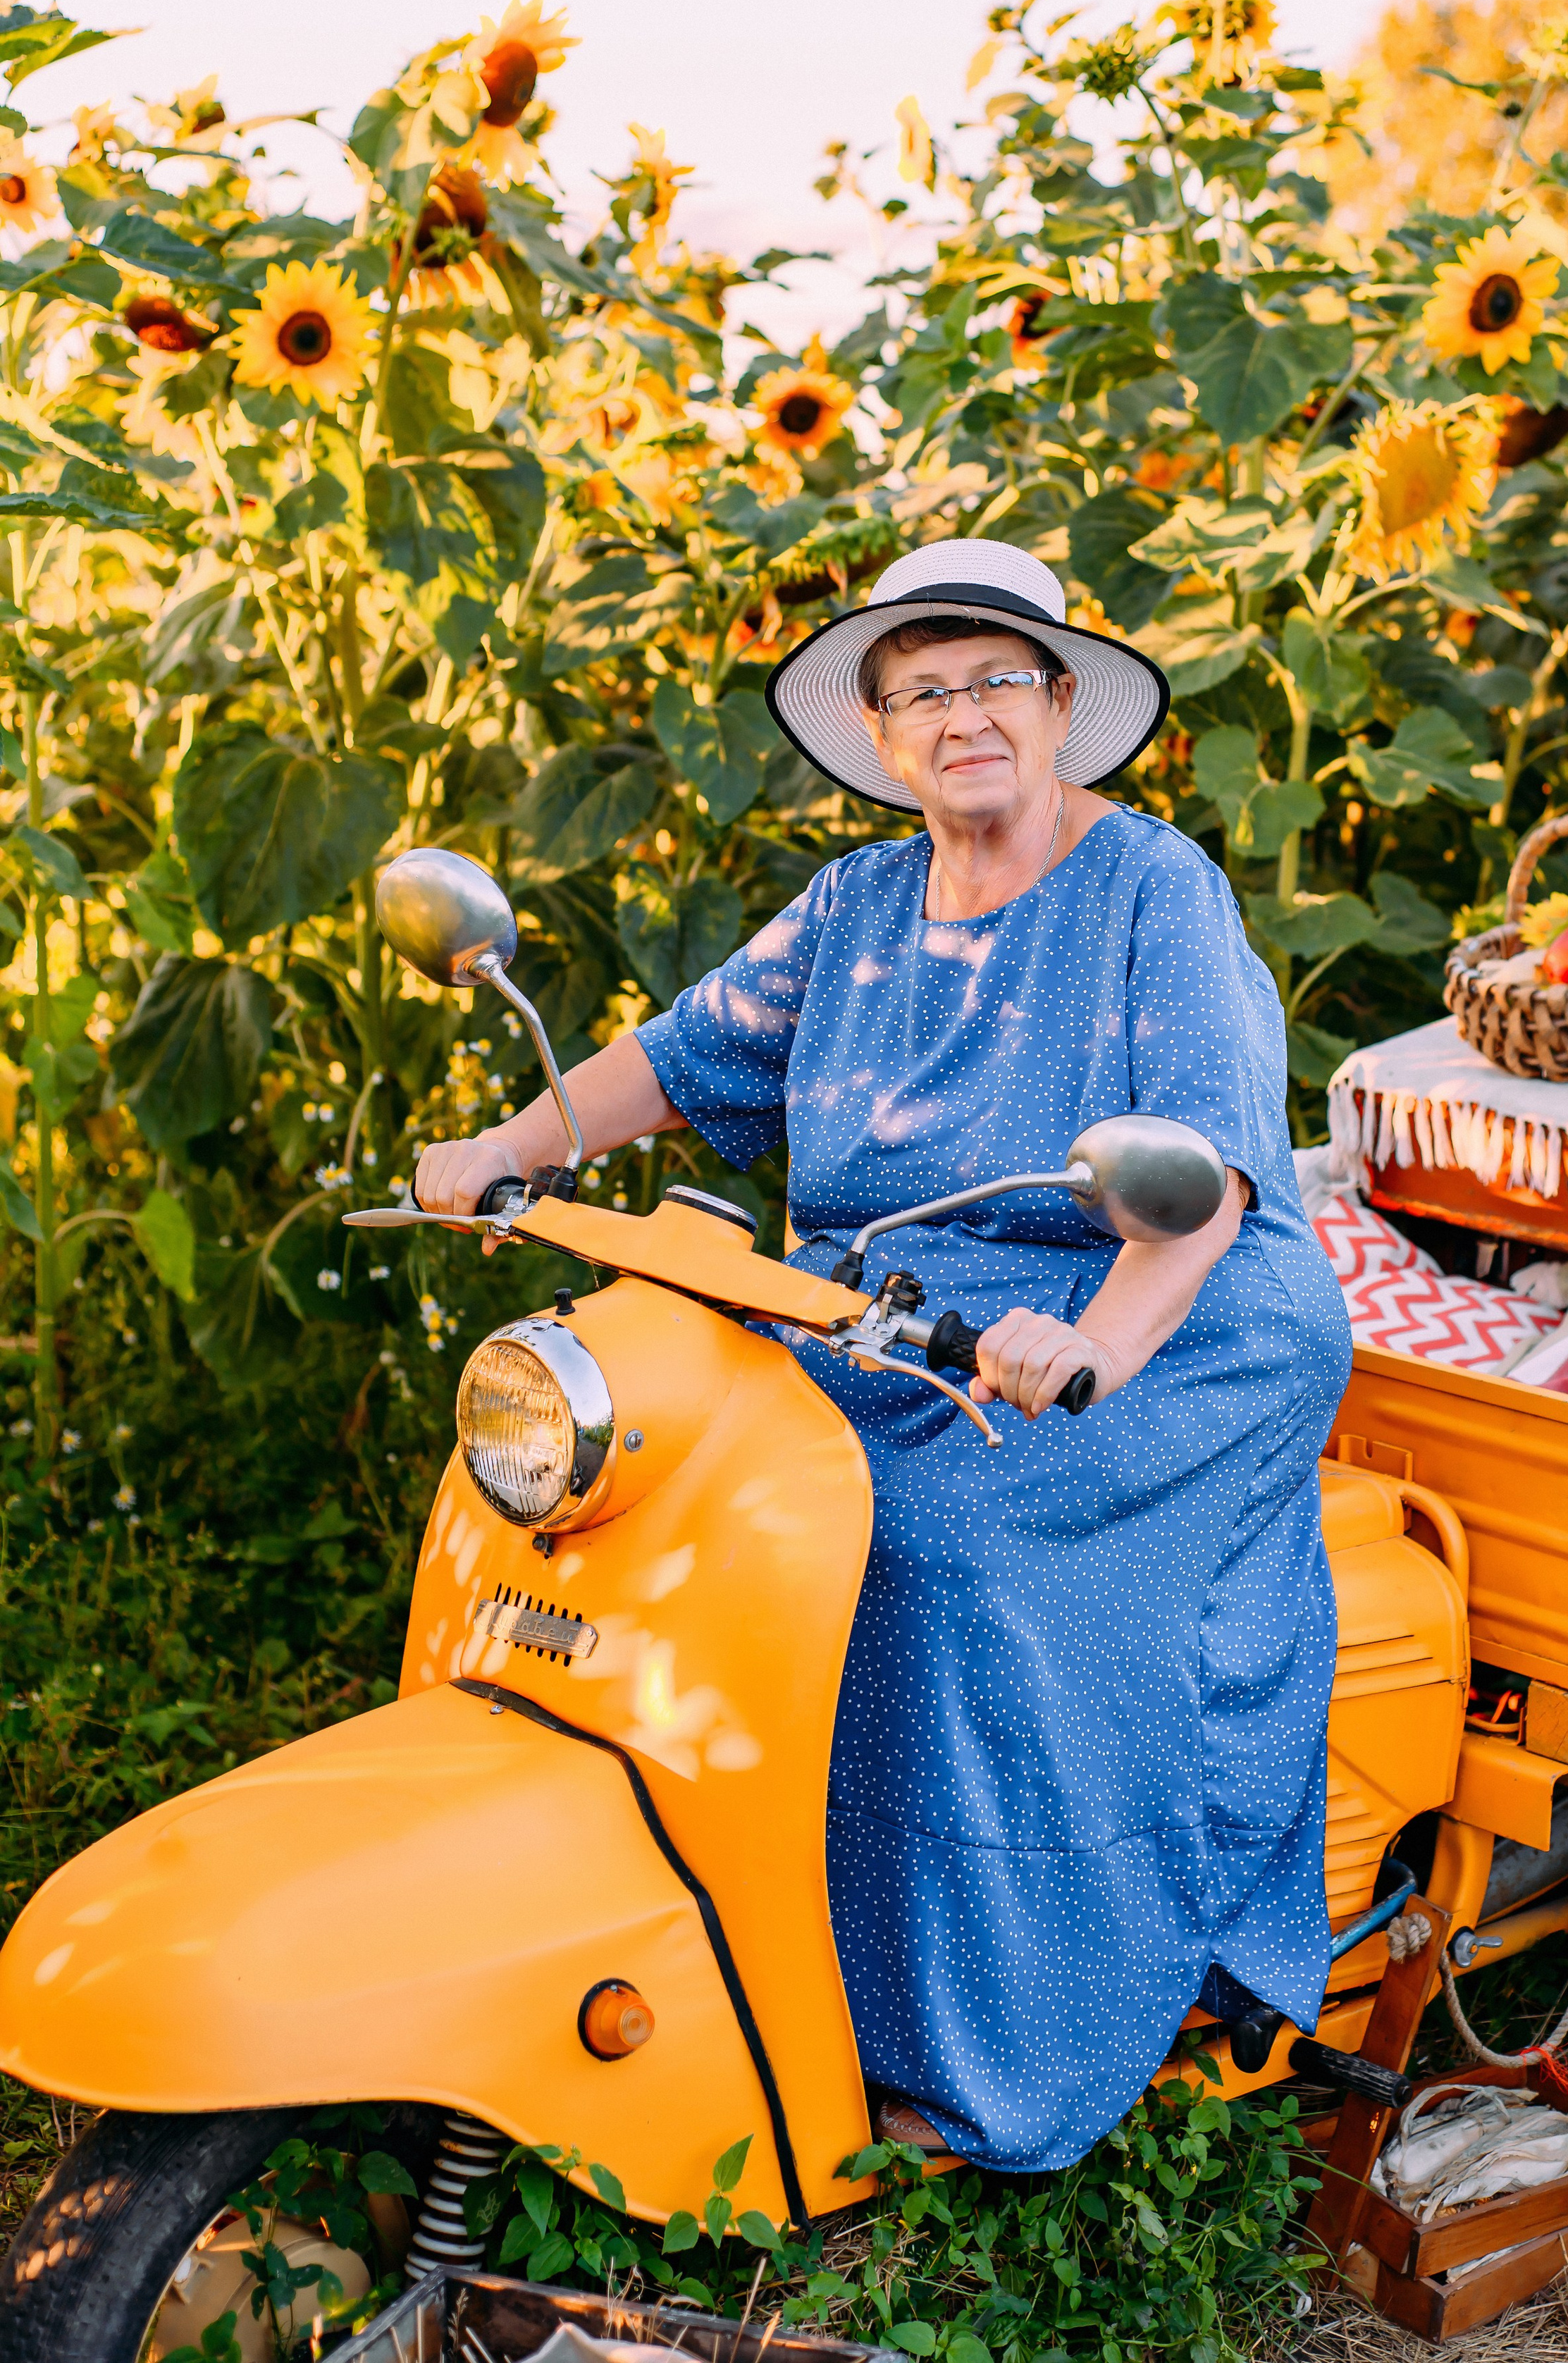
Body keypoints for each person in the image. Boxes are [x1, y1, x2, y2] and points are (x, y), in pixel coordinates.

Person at [416, 538, 1353, 2172]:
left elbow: (1197, 1165)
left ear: (1060, 702)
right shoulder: (852, 905)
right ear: (881, 730)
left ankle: (1002, 2038)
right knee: (697, 1512)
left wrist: (1097, 1343)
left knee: (930, 1554)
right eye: (920, 689)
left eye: (992, 676)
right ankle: (738, 1940)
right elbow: (680, 1052)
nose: (960, 713)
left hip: (1160, 1304)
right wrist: (509, 1138)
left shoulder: (1152, 887)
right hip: (898, 1304)